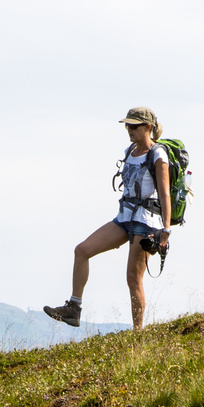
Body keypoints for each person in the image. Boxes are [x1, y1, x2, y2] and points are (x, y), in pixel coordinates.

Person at [44, 106, 171, 331]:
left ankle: (137, 334)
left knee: (133, 278)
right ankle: (74, 309)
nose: (129, 129)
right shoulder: (129, 150)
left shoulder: (158, 154)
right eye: (127, 125)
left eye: (134, 126)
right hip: (123, 218)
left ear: (148, 127)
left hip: (146, 221)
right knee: (82, 250)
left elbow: (165, 192)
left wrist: (166, 229)